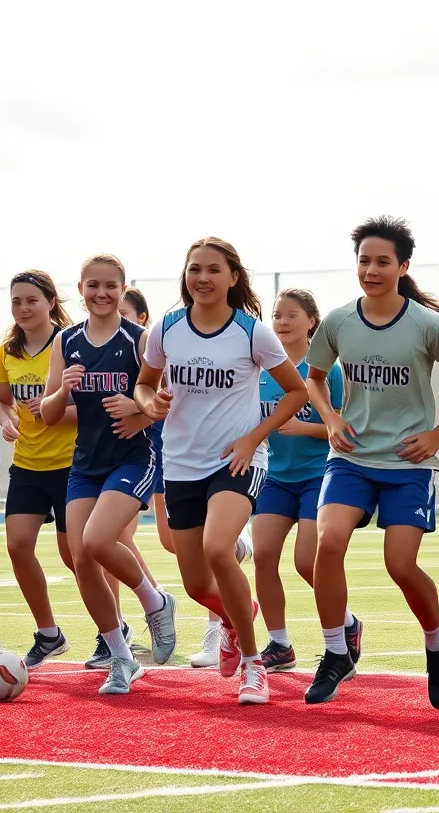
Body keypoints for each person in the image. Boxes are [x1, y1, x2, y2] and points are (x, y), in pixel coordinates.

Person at [303, 215, 439, 708]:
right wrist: (331, 419)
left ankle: (438, 643)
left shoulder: (426, 324)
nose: (371, 270)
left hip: (407, 464)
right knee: (327, 544)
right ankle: (336, 651)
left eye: (382, 262)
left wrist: (438, 435)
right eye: (364, 261)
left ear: (403, 266)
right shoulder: (337, 321)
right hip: (350, 458)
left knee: (401, 563)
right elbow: (313, 377)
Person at [136, 237, 307, 705]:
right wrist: (152, 404)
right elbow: (144, 385)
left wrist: (254, 437)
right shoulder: (165, 329)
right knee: (194, 584)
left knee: (218, 547)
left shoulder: (253, 332)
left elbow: (296, 393)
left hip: (237, 459)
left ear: (233, 277)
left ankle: (254, 665)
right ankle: (240, 614)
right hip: (181, 463)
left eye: (214, 270)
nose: (203, 278)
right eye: (195, 269)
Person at [41, 254, 175, 696]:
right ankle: (120, 657)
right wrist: (63, 389)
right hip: (85, 463)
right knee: (81, 559)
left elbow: (169, 396)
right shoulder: (66, 341)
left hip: (133, 459)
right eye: (93, 285)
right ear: (80, 288)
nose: (101, 293)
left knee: (98, 541)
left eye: (110, 286)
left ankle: (155, 603)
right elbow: (46, 412)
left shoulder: (141, 339)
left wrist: (139, 409)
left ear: (123, 288)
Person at [119, 287, 254, 670]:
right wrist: (142, 405)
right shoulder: (113, 343)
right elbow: (144, 391)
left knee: (214, 547)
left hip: (206, 450)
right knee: (169, 541)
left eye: (128, 312)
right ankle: (210, 592)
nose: (121, 317)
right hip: (166, 450)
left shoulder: (154, 336)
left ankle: (221, 630)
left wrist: (142, 405)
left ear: (141, 317)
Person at [251, 288, 343, 672]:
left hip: (318, 475)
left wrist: (304, 427)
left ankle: (345, 626)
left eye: (291, 315)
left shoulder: (327, 372)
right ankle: (279, 644)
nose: (282, 322)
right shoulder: (262, 372)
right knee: (263, 555)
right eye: (276, 315)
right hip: (276, 477)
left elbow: (343, 430)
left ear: (311, 322)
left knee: (308, 561)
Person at [0, 270, 78, 668]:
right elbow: (1, 400)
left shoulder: (71, 344)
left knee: (76, 555)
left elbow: (91, 408)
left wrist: (53, 413)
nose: (23, 308)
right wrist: (6, 418)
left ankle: (113, 632)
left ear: (50, 301)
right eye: (16, 301)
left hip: (71, 464)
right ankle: (49, 634)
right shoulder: (7, 350)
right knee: (17, 545)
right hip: (27, 464)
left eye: (31, 300)